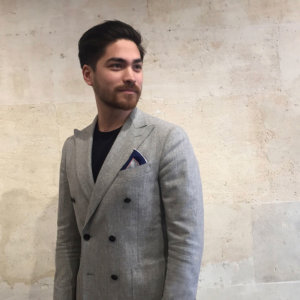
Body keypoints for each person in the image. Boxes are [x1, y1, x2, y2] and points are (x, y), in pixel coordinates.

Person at [54, 20, 204, 300]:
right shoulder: (73, 148)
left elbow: (186, 242)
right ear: (88, 74)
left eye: (137, 66)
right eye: (116, 65)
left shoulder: (167, 139)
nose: (131, 76)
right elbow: (67, 242)